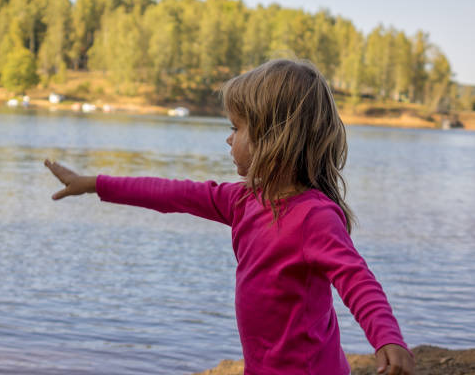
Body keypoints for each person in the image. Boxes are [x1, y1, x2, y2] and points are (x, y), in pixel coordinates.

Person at [44, 59, 415, 375]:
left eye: (236, 128)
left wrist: (387, 337)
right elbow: (168, 193)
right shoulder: (242, 201)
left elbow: (357, 280)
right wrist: (93, 183)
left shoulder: (313, 218)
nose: (228, 140)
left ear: (273, 137)